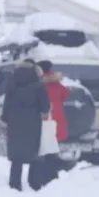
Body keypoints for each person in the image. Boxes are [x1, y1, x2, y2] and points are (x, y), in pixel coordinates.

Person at [0, 61, 50, 191]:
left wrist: (5, 119)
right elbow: (45, 106)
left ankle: (14, 184)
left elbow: (6, 103)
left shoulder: (12, 83)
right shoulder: (38, 84)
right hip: (33, 122)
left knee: (16, 154)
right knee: (34, 152)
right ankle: (34, 183)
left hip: (14, 121)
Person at [33, 59, 70, 189]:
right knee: (52, 151)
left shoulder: (38, 84)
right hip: (57, 121)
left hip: (44, 121)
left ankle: (43, 177)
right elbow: (66, 94)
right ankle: (52, 177)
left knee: (42, 151)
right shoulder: (56, 83)